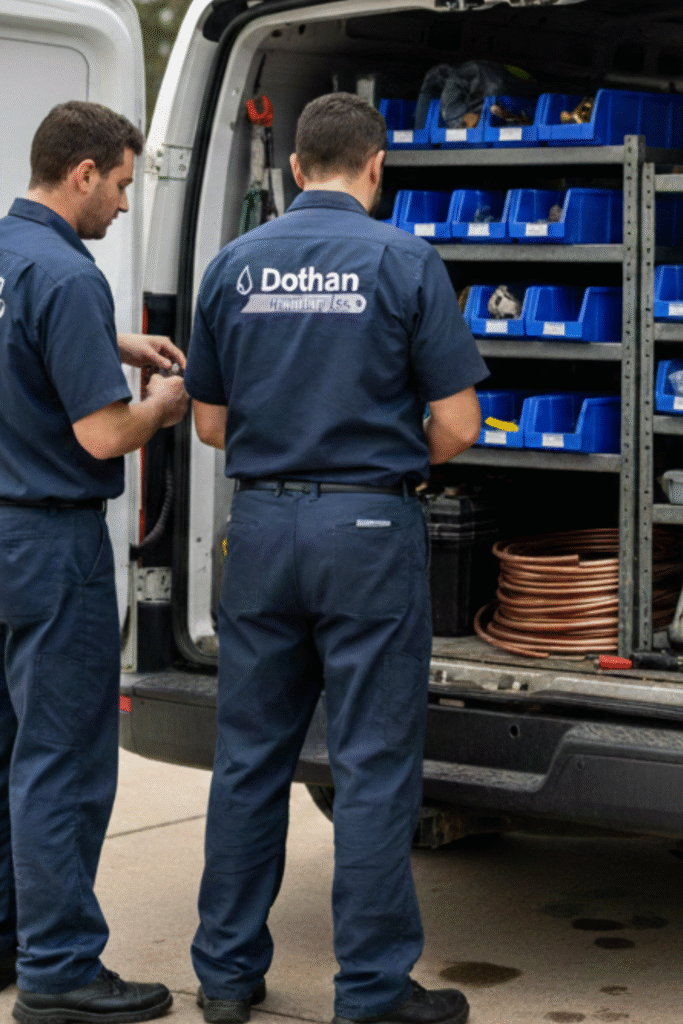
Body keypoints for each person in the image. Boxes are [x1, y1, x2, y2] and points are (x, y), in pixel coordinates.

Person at [184, 92, 488, 1024]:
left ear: (292, 168)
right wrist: (379, 459)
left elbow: (208, 425)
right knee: (371, 765)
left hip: (260, 530)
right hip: (365, 533)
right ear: (376, 166)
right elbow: (459, 424)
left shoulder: (233, 263)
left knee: (248, 760)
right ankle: (370, 990)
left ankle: (225, 977)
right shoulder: (403, 259)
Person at [0, 101, 188, 1024]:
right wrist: (163, 405)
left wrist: (111, 343)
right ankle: (61, 970)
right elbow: (105, 433)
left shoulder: (10, 255)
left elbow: (21, 333)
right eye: (117, 184)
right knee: (64, 762)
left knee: (9, 752)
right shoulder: (70, 274)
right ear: (81, 174)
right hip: (50, 544)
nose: (121, 202)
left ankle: (11, 938)